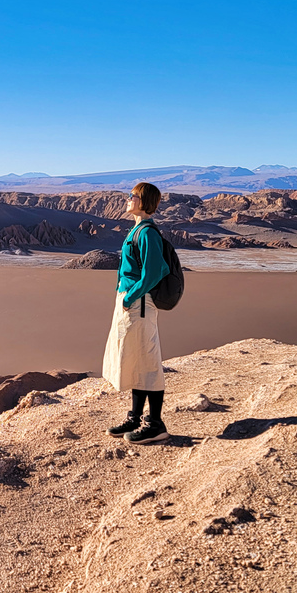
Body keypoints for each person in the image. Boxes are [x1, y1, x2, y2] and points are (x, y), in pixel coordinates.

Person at [102, 182, 170, 444]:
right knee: (137, 361)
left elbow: (155, 272)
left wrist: (130, 297)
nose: (128, 199)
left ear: (144, 201)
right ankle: (135, 418)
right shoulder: (138, 230)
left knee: (148, 363)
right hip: (132, 303)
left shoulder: (147, 233)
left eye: (133, 196)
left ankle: (155, 424)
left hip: (139, 304)